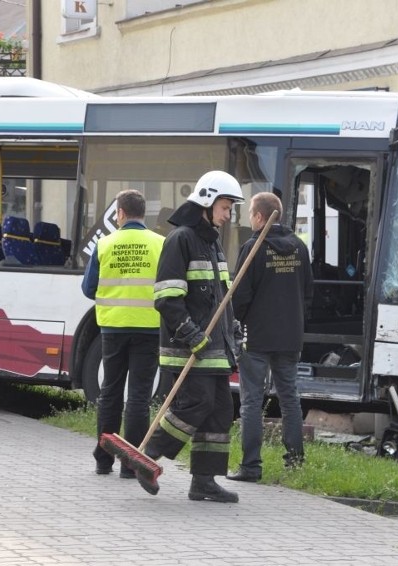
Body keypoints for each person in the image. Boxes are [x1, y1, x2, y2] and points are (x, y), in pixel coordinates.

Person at [138, 170, 245, 503]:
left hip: (214, 349)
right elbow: (167, 299)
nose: (228, 216)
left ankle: (203, 481)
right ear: (208, 201)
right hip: (188, 349)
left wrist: (234, 330)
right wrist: (191, 334)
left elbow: (219, 299)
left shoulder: (212, 245)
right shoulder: (180, 239)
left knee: (220, 412)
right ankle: (147, 457)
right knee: (196, 404)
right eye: (226, 207)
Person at [227, 192, 313, 482]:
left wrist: (238, 323)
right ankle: (296, 463)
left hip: (258, 337)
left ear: (261, 217)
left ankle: (251, 467)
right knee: (290, 398)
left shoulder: (254, 248)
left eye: (251, 214)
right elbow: (308, 293)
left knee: (252, 400)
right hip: (290, 337)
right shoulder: (300, 248)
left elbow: (240, 297)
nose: (249, 219)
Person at [81, 189, 165, 479]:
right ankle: (132, 465)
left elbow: (88, 289)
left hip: (113, 328)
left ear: (119, 213)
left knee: (110, 393)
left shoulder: (104, 244)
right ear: (144, 214)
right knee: (140, 396)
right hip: (149, 328)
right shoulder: (160, 244)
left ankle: (104, 460)